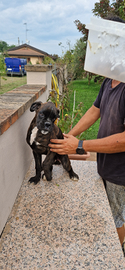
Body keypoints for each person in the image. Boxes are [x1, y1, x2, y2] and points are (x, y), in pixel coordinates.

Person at [49, 15, 125, 256]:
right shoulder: (109, 80)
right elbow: (94, 111)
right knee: (112, 214)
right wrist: (67, 137)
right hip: (106, 164)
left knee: (118, 217)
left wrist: (80, 144)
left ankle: (116, 254)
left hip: (121, 172)